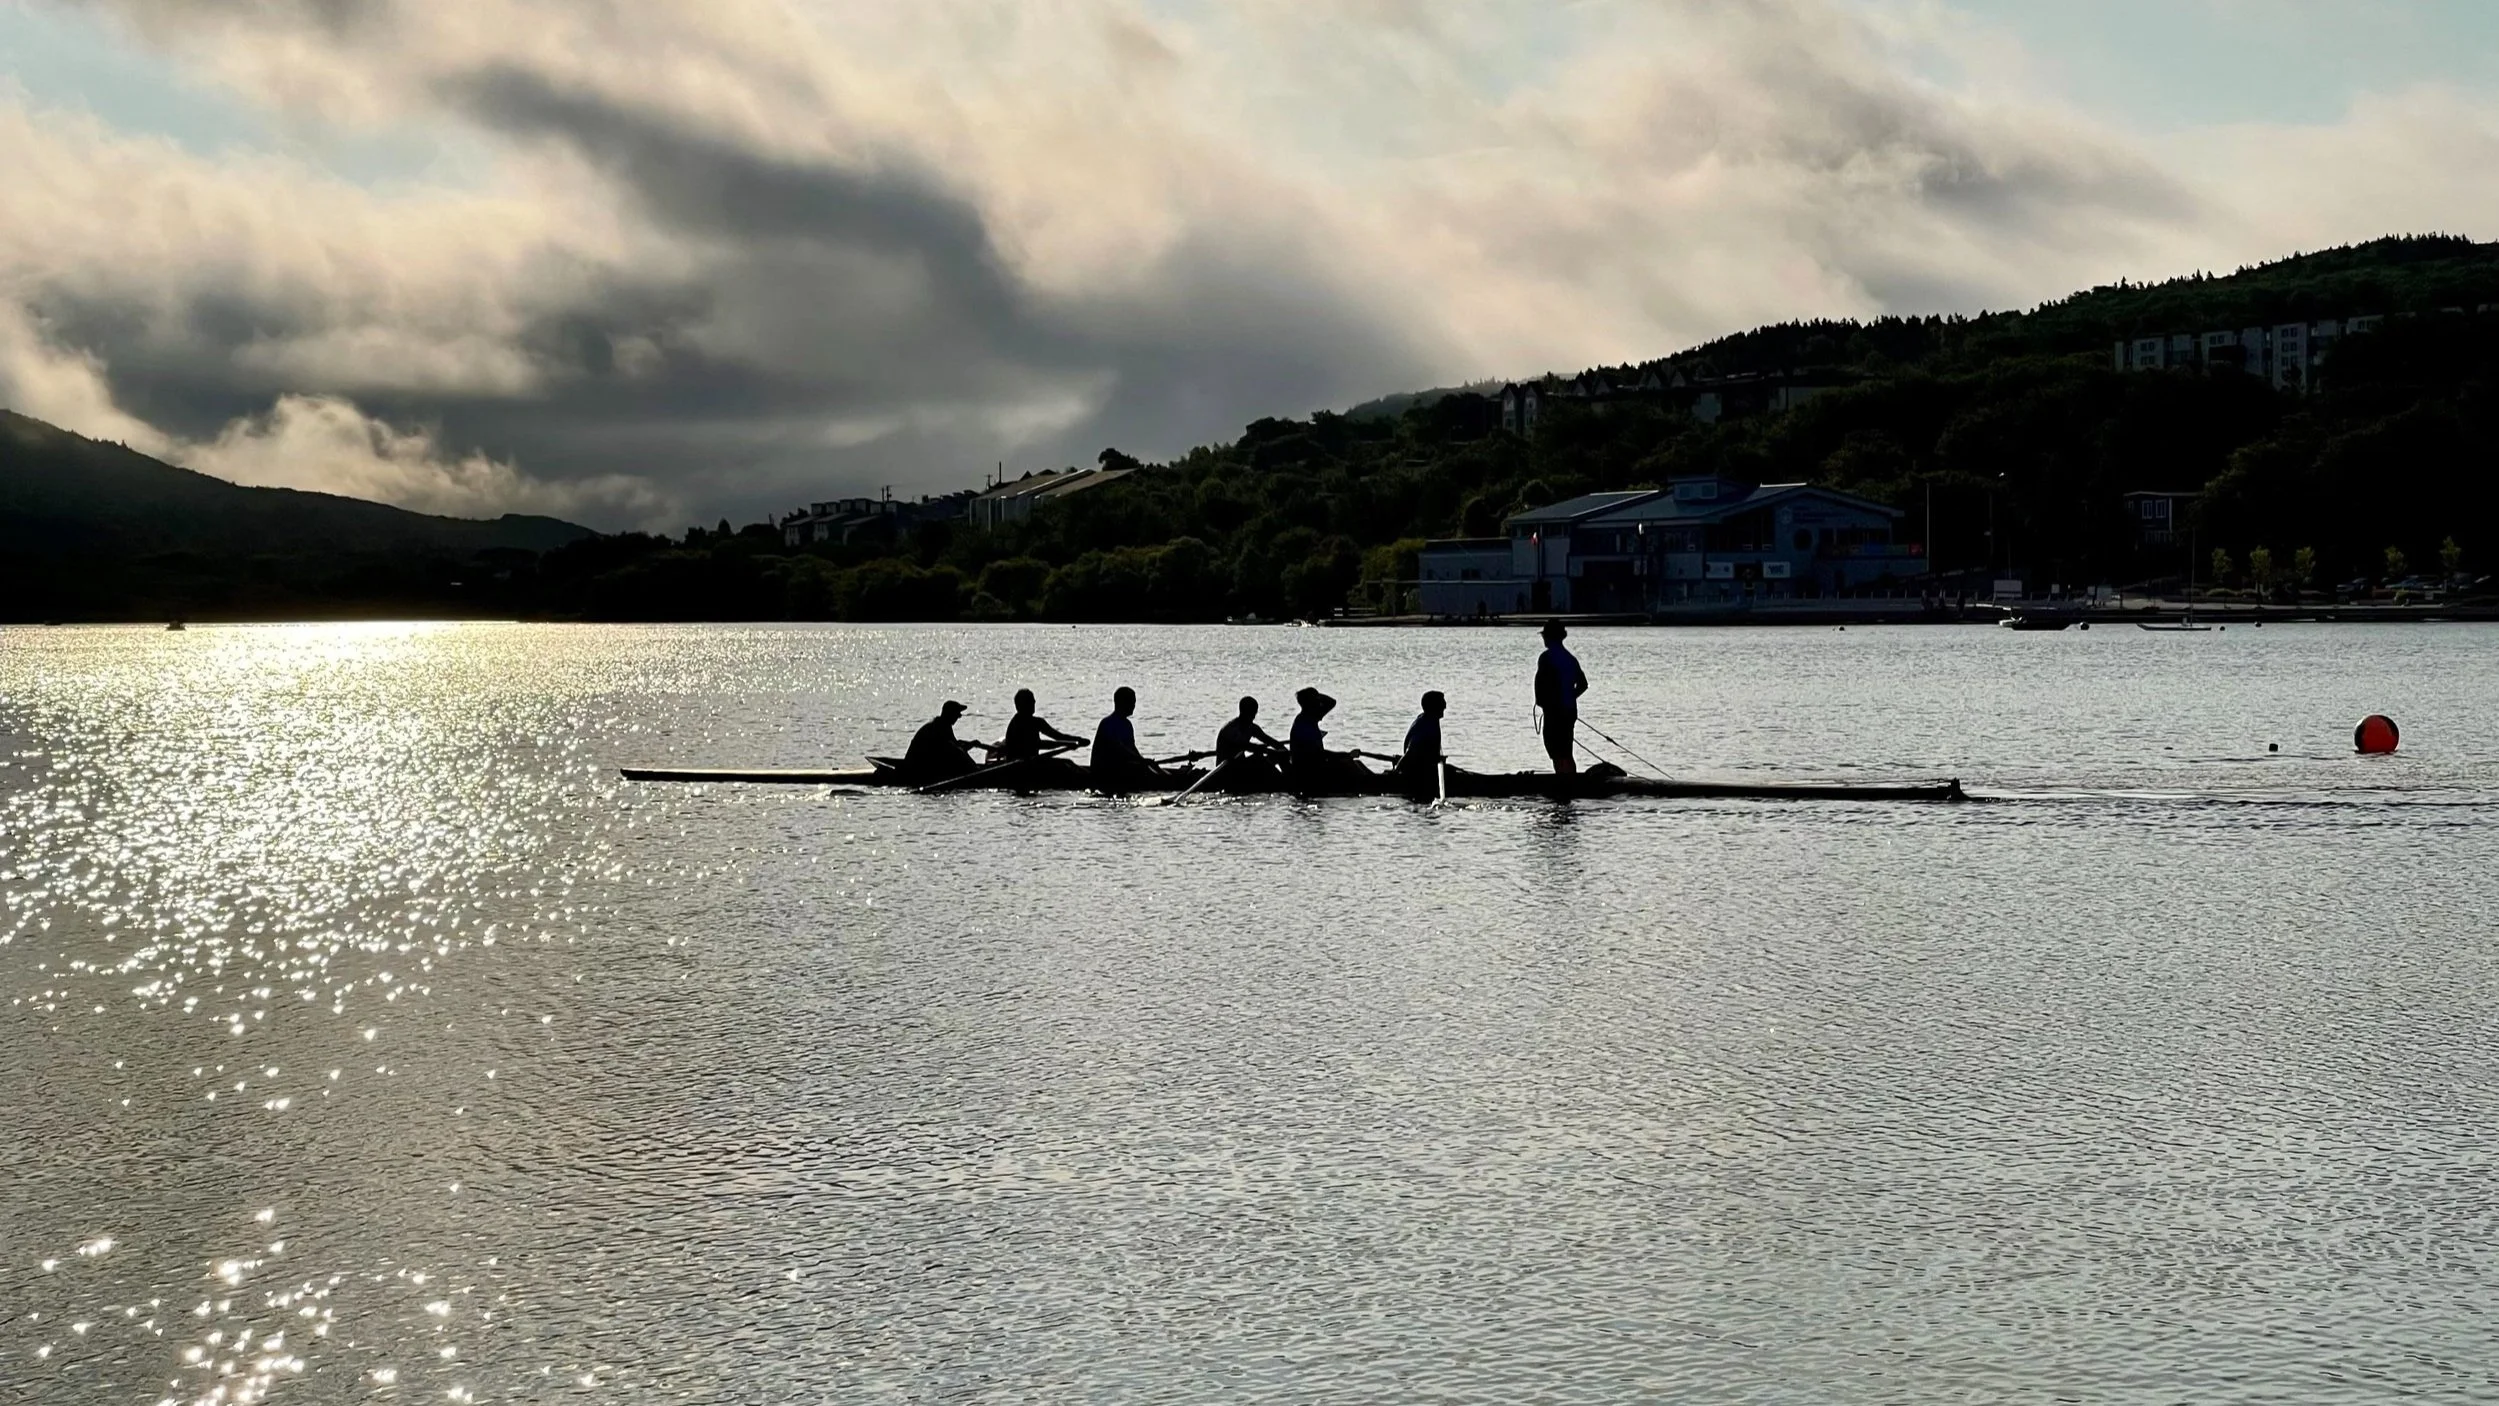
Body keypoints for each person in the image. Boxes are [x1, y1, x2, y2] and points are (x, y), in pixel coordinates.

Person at [1287, 686, 1374, 791]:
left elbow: (1331, 702)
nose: (1319, 705)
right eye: (1316, 701)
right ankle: (1371, 785)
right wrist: (1346, 755)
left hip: (1316, 764)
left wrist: (1317, 696)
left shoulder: (1312, 716)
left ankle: (1375, 780)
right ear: (1309, 704)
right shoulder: (1303, 724)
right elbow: (1319, 754)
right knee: (1348, 763)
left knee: (1357, 763)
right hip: (1308, 771)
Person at [1535, 620, 1587, 776]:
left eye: (1545, 636)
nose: (1543, 639)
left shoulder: (1546, 658)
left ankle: (1563, 781)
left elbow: (1543, 683)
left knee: (1556, 750)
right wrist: (1570, 698)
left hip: (1555, 712)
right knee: (1566, 750)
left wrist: (1550, 702)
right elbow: (1583, 684)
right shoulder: (1570, 659)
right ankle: (1570, 781)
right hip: (1569, 711)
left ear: (1550, 637)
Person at [1090, 686, 1159, 793]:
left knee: (1147, 769)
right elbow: (1120, 749)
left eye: (1134, 702)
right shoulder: (1108, 724)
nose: (1134, 706)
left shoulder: (1127, 725)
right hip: (1105, 771)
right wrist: (1142, 761)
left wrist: (1144, 761)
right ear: (1121, 703)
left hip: (1120, 767)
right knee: (1142, 771)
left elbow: (1132, 748)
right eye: (1132, 702)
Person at [998, 688, 1084, 762]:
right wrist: (1066, 744)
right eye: (1030, 701)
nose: (1034, 702)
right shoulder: (1016, 724)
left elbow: (1058, 736)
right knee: (1066, 764)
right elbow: (1039, 744)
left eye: (1033, 700)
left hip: (1033, 762)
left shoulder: (1037, 722)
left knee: (1068, 763)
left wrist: (1078, 739)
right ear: (1020, 706)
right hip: (1018, 766)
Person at [902, 700, 982, 781]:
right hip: (918, 768)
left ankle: (975, 771)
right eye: (957, 713)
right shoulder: (938, 728)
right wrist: (975, 770)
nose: (960, 716)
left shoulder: (944, 725)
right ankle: (977, 773)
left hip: (925, 764)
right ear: (950, 714)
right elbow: (956, 751)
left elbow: (955, 746)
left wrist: (971, 745)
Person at [1395, 690, 1446, 789]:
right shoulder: (1426, 725)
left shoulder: (1430, 720)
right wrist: (1396, 773)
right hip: (1418, 776)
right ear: (1433, 706)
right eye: (1442, 703)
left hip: (1428, 771)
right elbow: (1410, 753)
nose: (1445, 706)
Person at [1215, 696, 1284, 765]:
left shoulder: (1251, 727)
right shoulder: (1230, 729)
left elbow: (1268, 740)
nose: (1254, 716)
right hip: (1225, 768)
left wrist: (1283, 749)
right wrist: (1268, 751)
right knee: (1261, 759)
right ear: (1243, 712)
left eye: (1255, 713)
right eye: (1251, 713)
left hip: (1239, 764)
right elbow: (1246, 746)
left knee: (1277, 757)